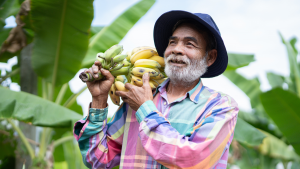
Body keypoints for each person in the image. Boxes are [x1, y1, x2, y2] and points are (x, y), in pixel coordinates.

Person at [73, 10, 239, 169]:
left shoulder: (221, 106)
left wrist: (145, 110)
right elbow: (98, 160)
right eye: (172, 42)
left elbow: (193, 160)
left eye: (190, 44)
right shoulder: (136, 98)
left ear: (210, 57)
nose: (176, 49)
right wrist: (99, 99)